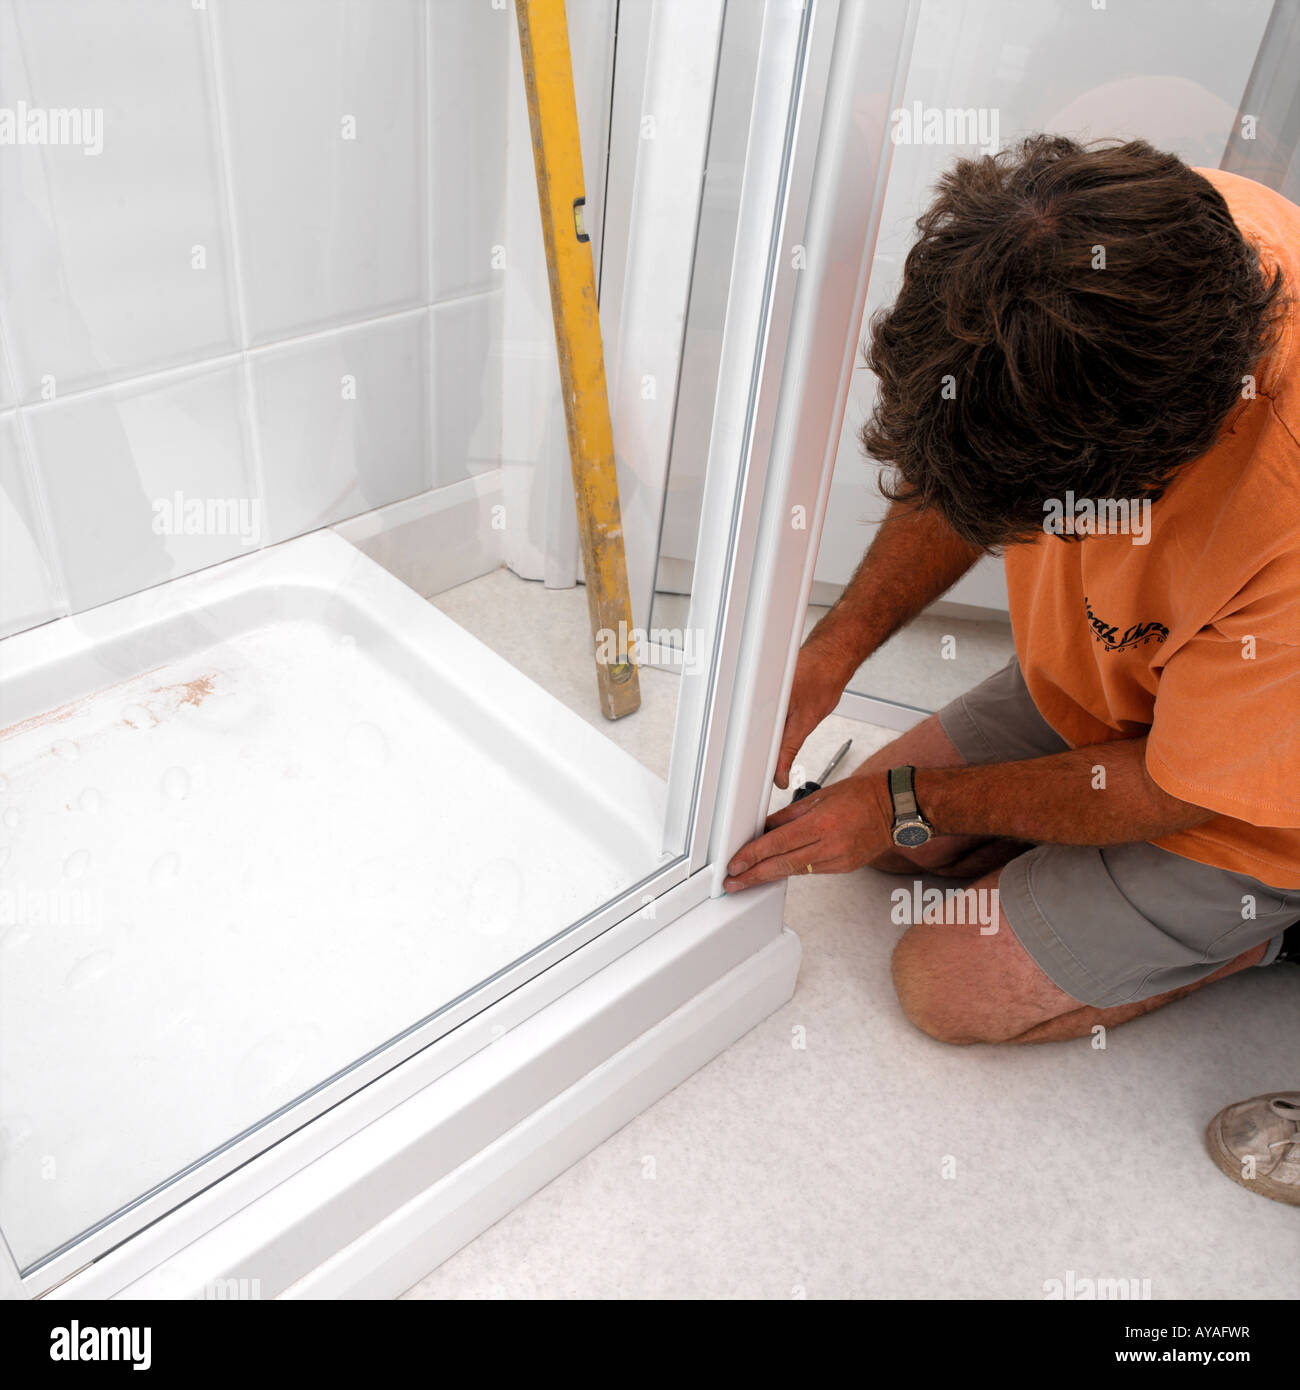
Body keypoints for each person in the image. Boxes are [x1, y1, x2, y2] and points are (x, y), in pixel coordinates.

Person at [722, 137, 1300, 1067]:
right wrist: (834, 652)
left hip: (1247, 794)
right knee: (892, 847)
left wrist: (914, 801)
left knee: (946, 982)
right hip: (1118, 673)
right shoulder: (1110, 248)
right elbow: (968, 466)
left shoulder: (1284, 502)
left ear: (1147, 468)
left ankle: (1267, 933)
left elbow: (1161, 786)